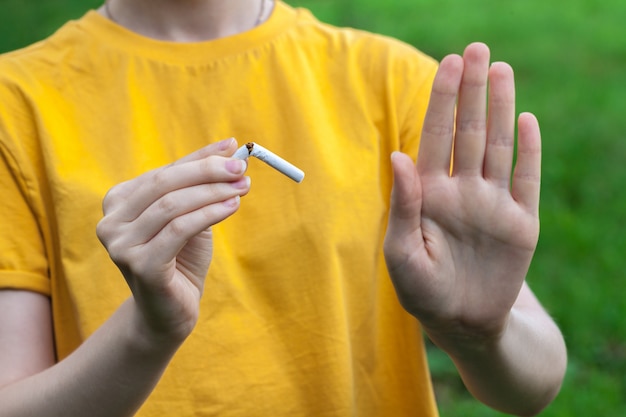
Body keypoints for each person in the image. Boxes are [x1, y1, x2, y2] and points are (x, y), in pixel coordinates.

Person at [0, 0, 566, 416]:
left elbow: (535, 383)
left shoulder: (394, 86)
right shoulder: (17, 103)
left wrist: (480, 334)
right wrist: (147, 333)